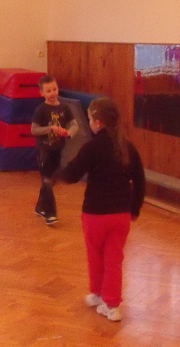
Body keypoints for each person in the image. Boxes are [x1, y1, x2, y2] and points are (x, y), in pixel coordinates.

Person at [60, 96, 145, 323]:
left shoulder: (91, 147)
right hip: (121, 215)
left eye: (89, 119)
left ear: (97, 122)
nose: (89, 122)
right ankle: (112, 305)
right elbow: (140, 180)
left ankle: (99, 294)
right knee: (114, 259)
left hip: (95, 215)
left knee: (95, 256)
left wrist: (59, 171)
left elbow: (71, 175)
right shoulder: (128, 148)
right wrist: (135, 209)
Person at [31, 75, 76, 226]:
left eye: (54, 89)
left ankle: (40, 206)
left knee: (51, 179)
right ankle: (50, 214)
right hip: (44, 150)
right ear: (41, 93)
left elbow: (74, 125)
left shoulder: (65, 108)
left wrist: (68, 133)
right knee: (47, 180)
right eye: (48, 91)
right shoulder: (41, 110)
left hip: (58, 149)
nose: (52, 93)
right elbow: (34, 130)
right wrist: (50, 128)